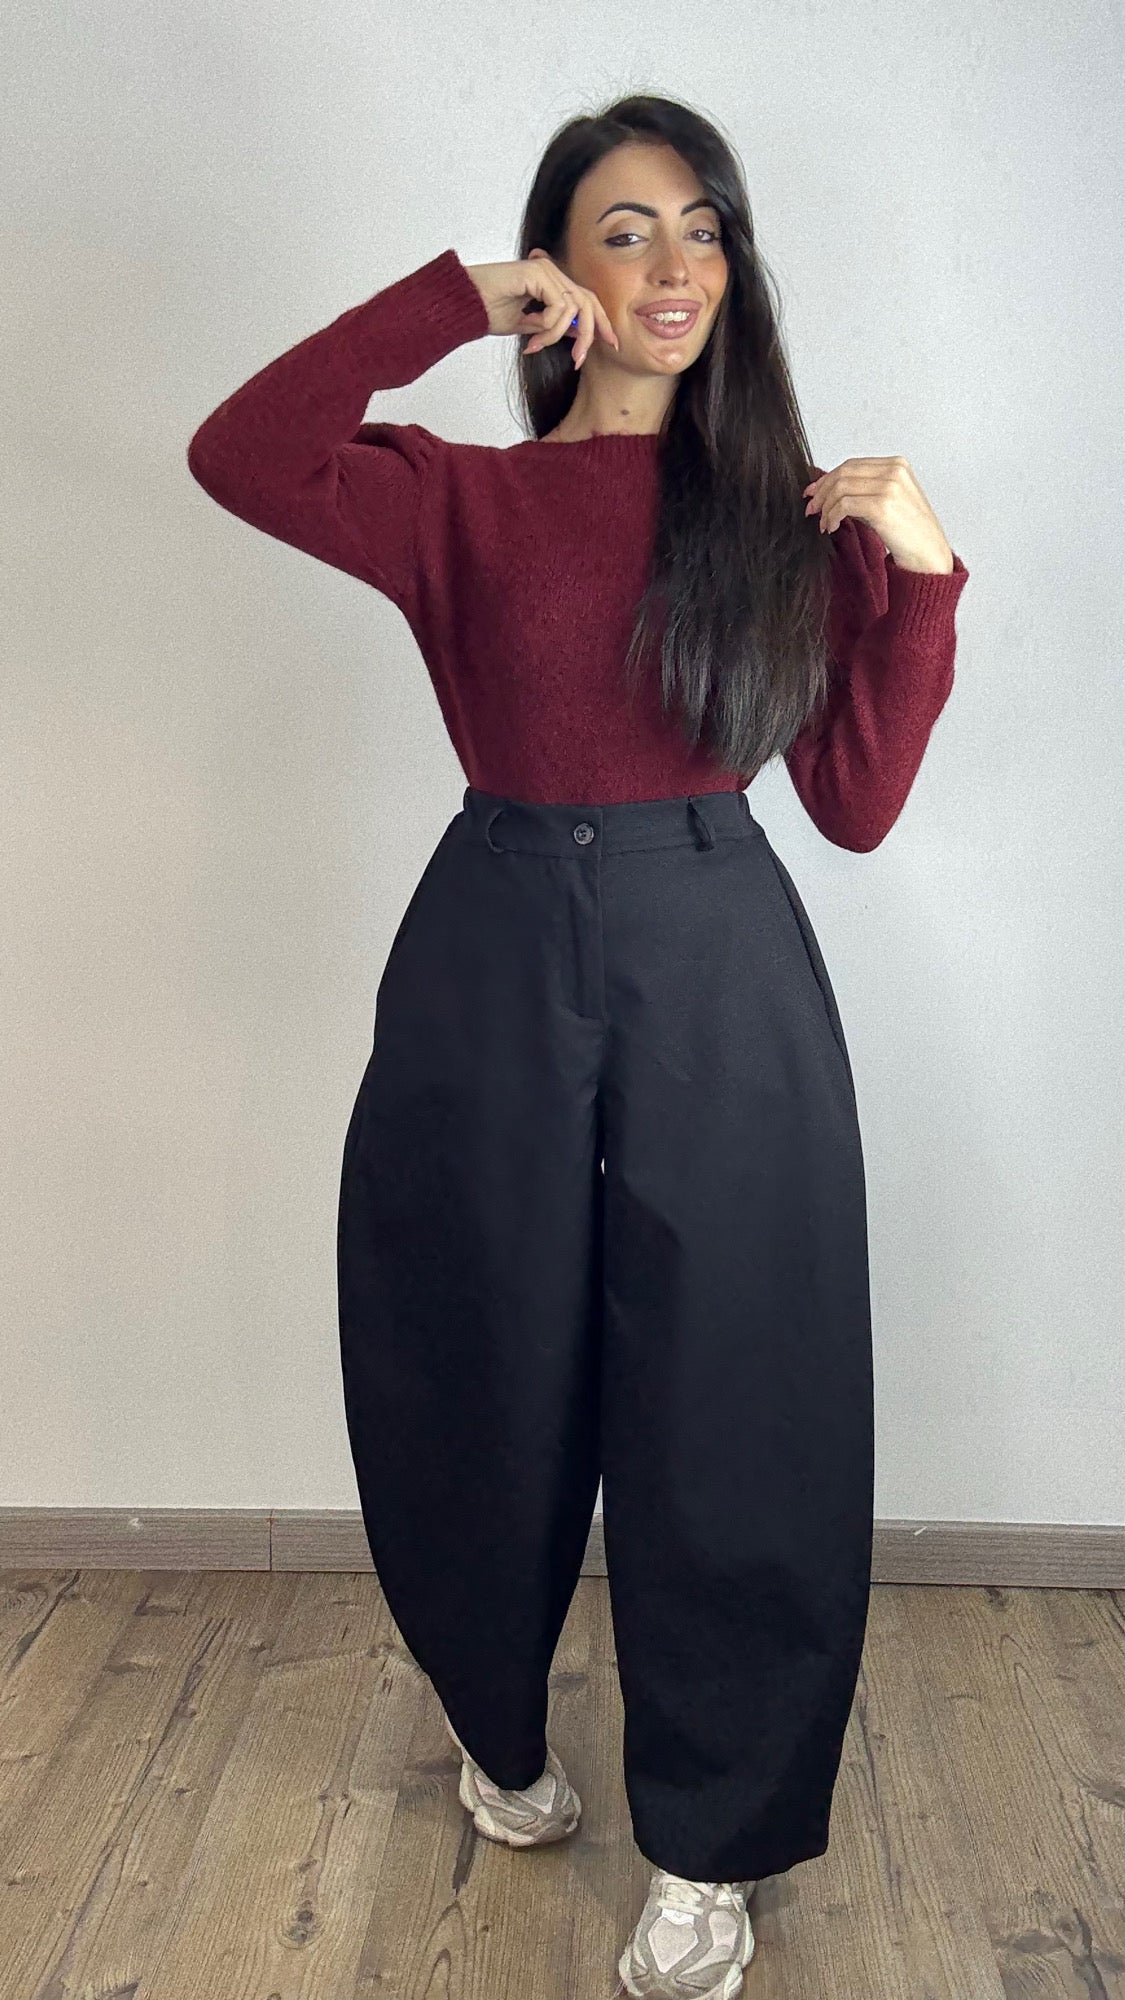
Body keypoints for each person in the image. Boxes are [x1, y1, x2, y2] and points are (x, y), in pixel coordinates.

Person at [187, 91, 968, 2000]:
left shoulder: (779, 520)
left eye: (705, 229)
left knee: (742, 1397)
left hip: (720, 958)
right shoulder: (457, 499)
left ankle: (711, 1842)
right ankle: (497, 1715)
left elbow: (854, 802)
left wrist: (921, 577)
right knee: (470, 1354)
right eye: (626, 230)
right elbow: (240, 450)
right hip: (494, 940)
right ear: (560, 268)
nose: (675, 266)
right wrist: (448, 302)